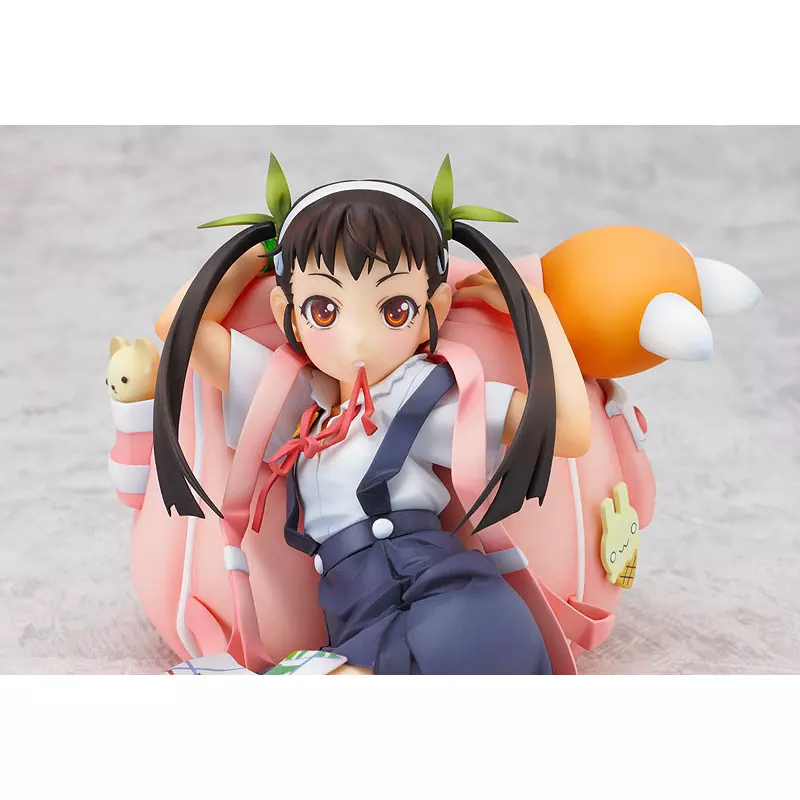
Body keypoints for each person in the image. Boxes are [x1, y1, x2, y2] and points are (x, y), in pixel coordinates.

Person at [153, 156, 591, 674]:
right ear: (286, 314)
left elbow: (569, 432)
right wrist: (260, 252)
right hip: (357, 618)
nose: (358, 340)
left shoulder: (417, 394)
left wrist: (537, 312)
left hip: (444, 606)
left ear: (433, 311)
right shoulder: (297, 407)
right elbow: (178, 326)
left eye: (394, 310)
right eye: (323, 310)